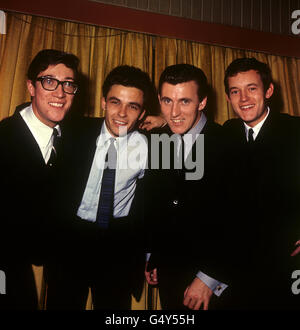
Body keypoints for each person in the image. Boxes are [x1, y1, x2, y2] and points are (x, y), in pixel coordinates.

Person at [45, 65, 154, 310]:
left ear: (143, 112)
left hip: (117, 248)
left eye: (133, 106)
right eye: (115, 102)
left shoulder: (153, 147)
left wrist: (164, 120)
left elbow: (188, 141)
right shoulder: (73, 131)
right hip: (71, 241)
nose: (122, 114)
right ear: (103, 101)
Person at [144, 64, 230, 310]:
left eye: (184, 102)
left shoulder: (227, 143)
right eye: (167, 101)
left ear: (202, 102)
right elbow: (157, 201)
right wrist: (152, 254)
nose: (174, 112)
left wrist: (208, 278)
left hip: (215, 284)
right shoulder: (161, 140)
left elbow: (239, 219)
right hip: (169, 275)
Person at [0, 49, 80, 309]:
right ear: (31, 87)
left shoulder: (74, 139)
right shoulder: (3, 137)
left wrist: (164, 121)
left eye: (68, 84)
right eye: (49, 81)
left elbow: (116, 123)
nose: (60, 93)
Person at [222, 57, 300, 309]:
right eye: (236, 91)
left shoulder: (294, 130)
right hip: (237, 271)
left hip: (286, 268)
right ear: (228, 98)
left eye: (251, 88)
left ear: (268, 91)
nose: (243, 98)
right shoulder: (228, 131)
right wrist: (165, 122)